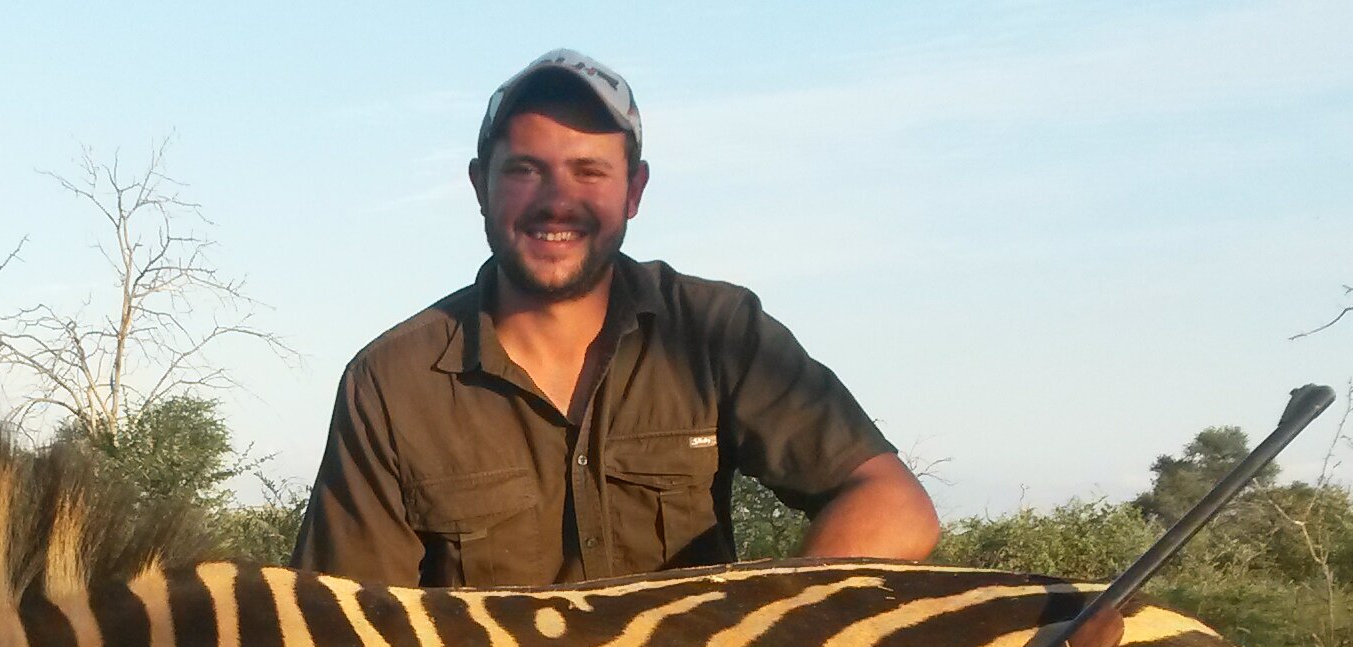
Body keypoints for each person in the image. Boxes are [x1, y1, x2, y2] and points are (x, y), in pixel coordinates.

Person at [294, 49, 939, 589]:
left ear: (634, 191)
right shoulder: (390, 384)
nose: (557, 201)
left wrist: (759, 643)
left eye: (589, 172)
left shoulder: (715, 331)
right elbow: (344, 631)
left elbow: (895, 507)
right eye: (524, 170)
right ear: (478, 187)